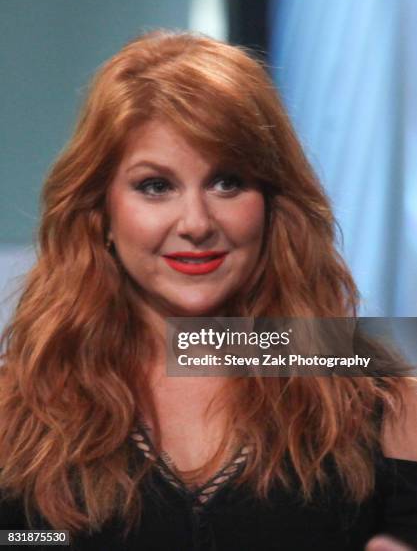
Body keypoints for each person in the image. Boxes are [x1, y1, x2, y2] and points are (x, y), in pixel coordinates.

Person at [0, 30, 416, 551]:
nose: (196, 223)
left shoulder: (369, 386)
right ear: (101, 212)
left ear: (271, 203)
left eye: (228, 182)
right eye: (156, 186)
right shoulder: (23, 403)